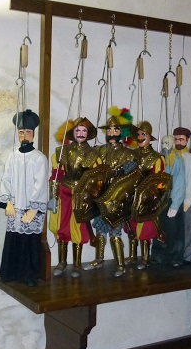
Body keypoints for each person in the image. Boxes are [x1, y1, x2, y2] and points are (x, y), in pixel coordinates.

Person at [0, 109, 48, 286]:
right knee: (13, 239)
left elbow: (40, 184)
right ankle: (10, 273)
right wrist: (8, 202)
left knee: (30, 242)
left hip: (30, 208)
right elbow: (6, 180)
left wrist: (33, 209)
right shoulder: (13, 157)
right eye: (21, 132)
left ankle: (29, 276)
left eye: (27, 132)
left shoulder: (39, 158)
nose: (24, 136)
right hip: (15, 205)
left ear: (33, 134)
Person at [84, 110, 136, 276]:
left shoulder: (128, 154)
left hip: (117, 200)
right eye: (109, 130)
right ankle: (99, 259)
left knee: (115, 233)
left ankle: (120, 264)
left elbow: (131, 179)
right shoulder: (98, 151)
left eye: (116, 130)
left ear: (121, 132)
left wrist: (120, 172)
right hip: (100, 197)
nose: (112, 133)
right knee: (100, 230)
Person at [48, 117, 100, 277]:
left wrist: (92, 197)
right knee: (62, 227)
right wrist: (53, 197)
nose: (81, 133)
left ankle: (77, 264)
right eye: (78, 130)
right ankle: (62, 262)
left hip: (82, 195)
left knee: (79, 229)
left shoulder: (94, 154)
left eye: (84, 130)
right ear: (72, 132)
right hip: (64, 193)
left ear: (88, 133)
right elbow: (56, 175)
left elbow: (97, 179)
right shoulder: (62, 151)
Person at [151, 126, 191, 266]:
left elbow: (181, 182)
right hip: (162, 200)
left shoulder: (180, 159)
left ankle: (177, 257)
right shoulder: (161, 159)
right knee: (160, 228)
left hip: (176, 199)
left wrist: (177, 203)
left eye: (168, 143)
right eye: (164, 143)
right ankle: (159, 256)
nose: (166, 146)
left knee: (176, 230)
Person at [128, 121, 165, 269]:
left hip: (147, 199)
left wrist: (151, 197)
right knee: (132, 226)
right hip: (132, 196)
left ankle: (145, 258)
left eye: (144, 134)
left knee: (145, 228)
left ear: (150, 136)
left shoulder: (156, 157)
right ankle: (132, 255)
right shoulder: (132, 155)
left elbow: (160, 182)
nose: (140, 137)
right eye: (138, 134)